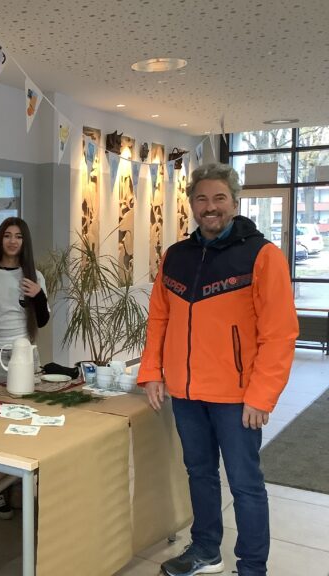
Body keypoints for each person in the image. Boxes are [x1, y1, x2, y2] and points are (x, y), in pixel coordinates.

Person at [137, 163, 298, 576]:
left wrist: (262, 396)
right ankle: (207, 550)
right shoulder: (176, 256)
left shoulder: (262, 256)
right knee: (199, 474)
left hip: (237, 398)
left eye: (219, 198)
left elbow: (279, 333)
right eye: (202, 199)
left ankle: (252, 568)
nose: (210, 207)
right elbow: (159, 318)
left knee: (245, 484)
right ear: (191, 204)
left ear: (235, 202)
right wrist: (152, 371)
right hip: (186, 394)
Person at [0, 217, 50, 518]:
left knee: (25, 425)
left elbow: (42, 320)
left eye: (18, 236)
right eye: (7, 235)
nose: (12, 241)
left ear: (24, 242)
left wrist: (38, 296)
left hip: (27, 356)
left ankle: (17, 485)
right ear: (0, 239)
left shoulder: (34, 275)